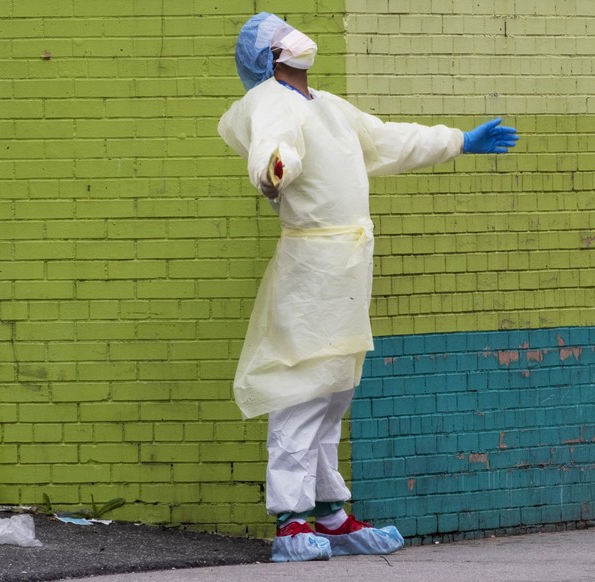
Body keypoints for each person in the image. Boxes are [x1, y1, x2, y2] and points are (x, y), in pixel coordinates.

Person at [217, 12, 518, 563]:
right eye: (277, 35)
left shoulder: (327, 106)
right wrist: (273, 168)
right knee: (301, 389)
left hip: (347, 265)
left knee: (334, 392)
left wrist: (457, 141)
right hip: (312, 267)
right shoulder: (270, 100)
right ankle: (289, 520)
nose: (292, 35)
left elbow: (386, 140)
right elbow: (273, 148)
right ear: (269, 58)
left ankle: (329, 513)